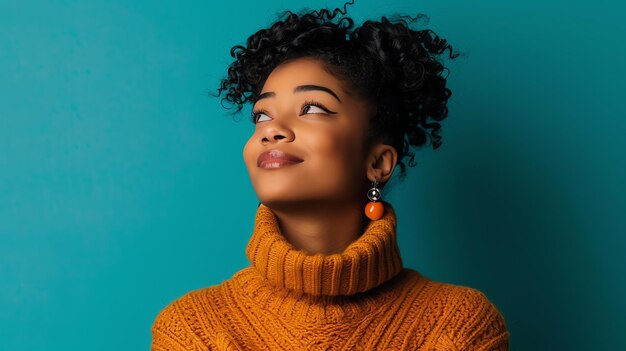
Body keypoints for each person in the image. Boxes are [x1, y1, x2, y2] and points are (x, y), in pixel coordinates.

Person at [152, 2, 510, 350]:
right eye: (261, 115)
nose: (272, 129)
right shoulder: (191, 330)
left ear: (379, 163)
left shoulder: (460, 325)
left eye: (311, 108)